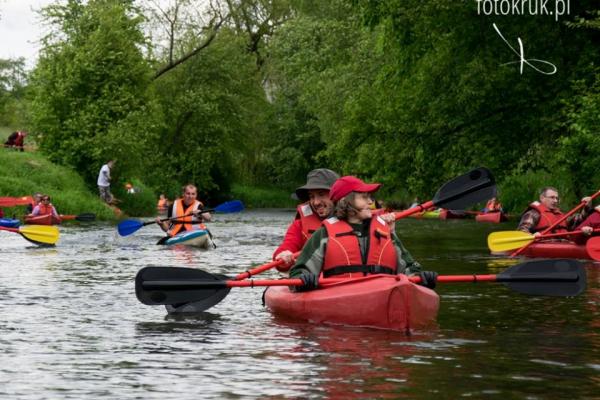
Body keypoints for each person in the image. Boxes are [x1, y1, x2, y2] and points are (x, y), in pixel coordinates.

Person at [288, 175, 438, 291]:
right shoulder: (325, 233)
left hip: (383, 294)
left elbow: (409, 268)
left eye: (370, 197)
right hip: (340, 297)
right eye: (364, 197)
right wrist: (303, 280)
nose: (370, 202)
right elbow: (298, 271)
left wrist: (421, 278)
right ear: (346, 202)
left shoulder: (384, 230)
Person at [272, 168, 340, 271]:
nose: (316, 202)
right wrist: (283, 256)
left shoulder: (356, 217)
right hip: (313, 281)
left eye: (321, 194)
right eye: (311, 196)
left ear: (337, 194)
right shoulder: (299, 225)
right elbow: (287, 246)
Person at [517, 187, 592, 237]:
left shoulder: (560, 214)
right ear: (542, 198)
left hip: (564, 243)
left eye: (557, 198)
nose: (555, 201)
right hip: (544, 244)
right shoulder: (533, 213)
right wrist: (532, 236)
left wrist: (586, 207)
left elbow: (579, 220)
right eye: (552, 197)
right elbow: (522, 232)